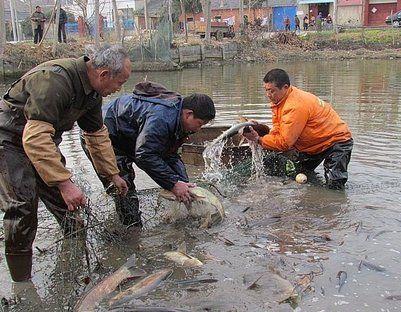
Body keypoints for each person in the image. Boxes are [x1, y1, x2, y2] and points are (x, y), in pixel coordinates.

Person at [0, 45, 130, 298]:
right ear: (104, 74)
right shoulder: (56, 80)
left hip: (41, 141)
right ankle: (22, 285)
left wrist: (112, 174)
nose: (119, 89)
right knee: (22, 207)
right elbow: (34, 137)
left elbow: (96, 135)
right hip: (9, 140)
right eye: (120, 82)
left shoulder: (93, 93)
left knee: (69, 208)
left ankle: (72, 258)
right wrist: (64, 182)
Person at [82, 82, 216, 227]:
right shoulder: (162, 118)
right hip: (102, 136)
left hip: (129, 137)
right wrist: (173, 184)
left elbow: (169, 155)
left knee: (180, 185)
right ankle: (132, 233)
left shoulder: (179, 119)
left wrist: (182, 182)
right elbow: (145, 155)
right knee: (123, 188)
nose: (199, 128)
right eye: (200, 123)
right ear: (188, 114)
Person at [242, 69, 353, 190]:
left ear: (285, 87)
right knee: (299, 173)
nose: (268, 95)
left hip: (337, 141)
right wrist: (263, 134)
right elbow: (278, 129)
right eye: (266, 90)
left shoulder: (294, 106)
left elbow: (284, 142)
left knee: (334, 185)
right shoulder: (280, 101)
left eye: (272, 91)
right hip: (314, 144)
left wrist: (259, 139)